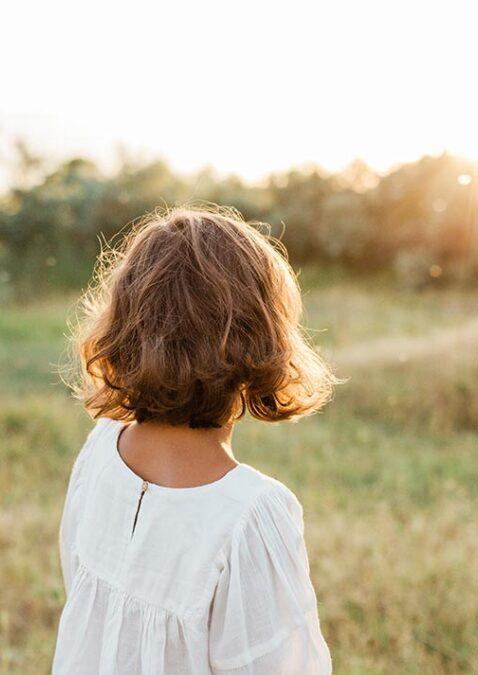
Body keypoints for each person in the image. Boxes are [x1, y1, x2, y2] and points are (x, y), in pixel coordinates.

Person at [53, 205, 337, 674]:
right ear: (259, 339)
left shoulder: (100, 451)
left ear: (126, 326)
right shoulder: (251, 515)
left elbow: (81, 593)